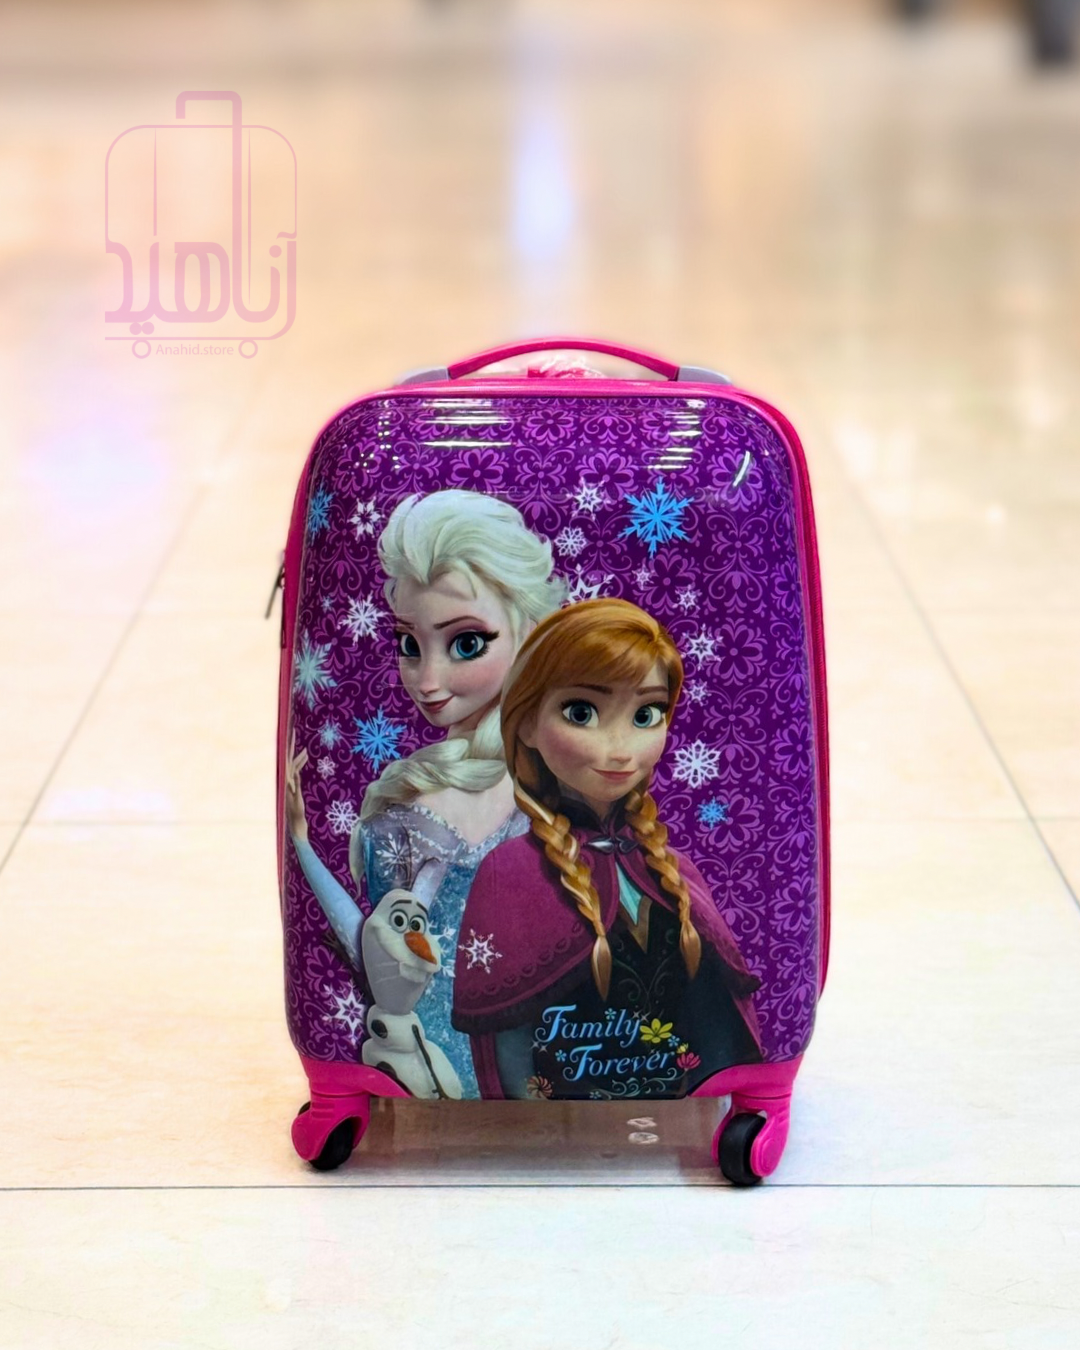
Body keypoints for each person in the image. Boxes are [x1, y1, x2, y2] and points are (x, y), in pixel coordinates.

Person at [285, 489, 566, 1097]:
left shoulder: (552, 784)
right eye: (410, 645)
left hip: (518, 1059)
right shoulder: (549, 788)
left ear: (530, 631)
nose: (428, 680)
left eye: (466, 643)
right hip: (434, 1060)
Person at [451, 598, 763, 1100]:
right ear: (526, 723)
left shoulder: (671, 869)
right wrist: (532, 1124)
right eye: (582, 712)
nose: (620, 749)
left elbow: (717, 1023)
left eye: (646, 714)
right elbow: (506, 1041)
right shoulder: (509, 872)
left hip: (680, 1110)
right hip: (553, 1121)